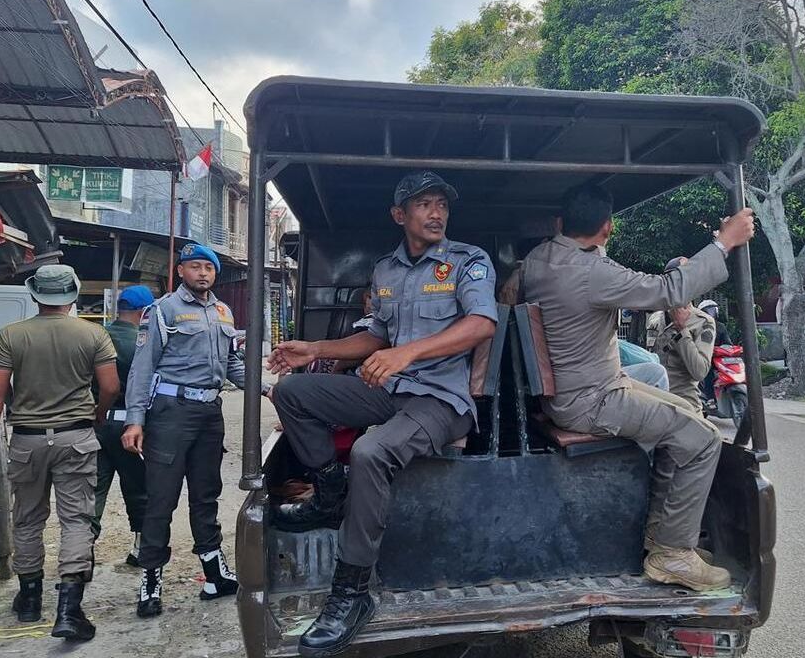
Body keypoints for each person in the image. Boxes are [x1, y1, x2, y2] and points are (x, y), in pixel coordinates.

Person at [268, 171, 497, 657]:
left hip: (442, 400)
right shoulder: (386, 271)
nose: (436, 213)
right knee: (292, 392)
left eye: (441, 205)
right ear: (400, 215)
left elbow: (481, 323)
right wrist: (314, 348)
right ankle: (330, 493)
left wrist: (407, 353)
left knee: (371, 451)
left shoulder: (466, 261)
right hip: (393, 391)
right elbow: (375, 336)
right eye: (424, 205)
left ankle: (351, 594)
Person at [520, 183, 755, 592]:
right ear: (607, 228)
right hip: (592, 399)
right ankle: (672, 554)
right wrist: (724, 242)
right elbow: (669, 291)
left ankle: (664, 538)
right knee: (703, 439)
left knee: (689, 418)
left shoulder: (540, 259)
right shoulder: (594, 273)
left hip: (581, 390)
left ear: (560, 223)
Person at [0, 265, 120, 642]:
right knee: (76, 520)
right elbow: (110, 386)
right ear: (73, 294)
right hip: (75, 438)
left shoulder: (12, 336)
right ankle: (69, 611)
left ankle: (30, 600)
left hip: (27, 440)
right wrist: (98, 413)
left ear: (36, 295)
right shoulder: (93, 334)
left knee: (27, 520)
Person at [121, 243, 244, 618]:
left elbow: (232, 366)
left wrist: (268, 388)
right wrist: (135, 419)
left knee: (207, 495)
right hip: (171, 414)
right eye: (195, 266)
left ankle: (214, 575)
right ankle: (150, 584)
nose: (203, 273)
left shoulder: (223, 312)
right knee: (162, 498)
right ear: (181, 272)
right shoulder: (163, 311)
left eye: (209, 267)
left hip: (210, 413)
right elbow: (142, 368)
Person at [91, 285, 155, 565]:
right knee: (139, 488)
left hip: (96, 423)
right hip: (131, 424)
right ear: (144, 312)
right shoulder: (144, 341)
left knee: (93, 489)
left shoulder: (97, 336)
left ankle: (83, 555)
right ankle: (140, 549)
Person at [652, 258, 718, 414]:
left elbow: (700, 371)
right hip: (654, 405)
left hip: (684, 407)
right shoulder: (655, 319)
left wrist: (682, 329)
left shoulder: (703, 322)